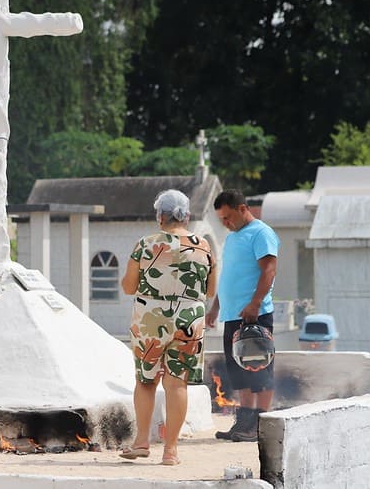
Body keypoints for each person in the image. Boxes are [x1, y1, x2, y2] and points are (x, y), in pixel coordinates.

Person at [119, 189, 216, 466]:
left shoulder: (146, 244)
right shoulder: (204, 246)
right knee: (177, 384)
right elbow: (210, 290)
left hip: (151, 318)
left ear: (160, 216)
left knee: (146, 381)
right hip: (190, 318)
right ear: (186, 216)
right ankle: (170, 451)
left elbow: (128, 287)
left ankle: (141, 442)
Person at [205, 189, 279, 442]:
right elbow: (228, 276)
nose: (225, 224)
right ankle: (244, 423)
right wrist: (215, 307)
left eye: (227, 217)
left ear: (242, 209)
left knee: (259, 370)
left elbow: (269, 269)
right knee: (239, 372)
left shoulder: (261, 233)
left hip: (254, 315)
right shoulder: (233, 237)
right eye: (221, 220)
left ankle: (259, 425)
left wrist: (255, 303)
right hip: (232, 315)